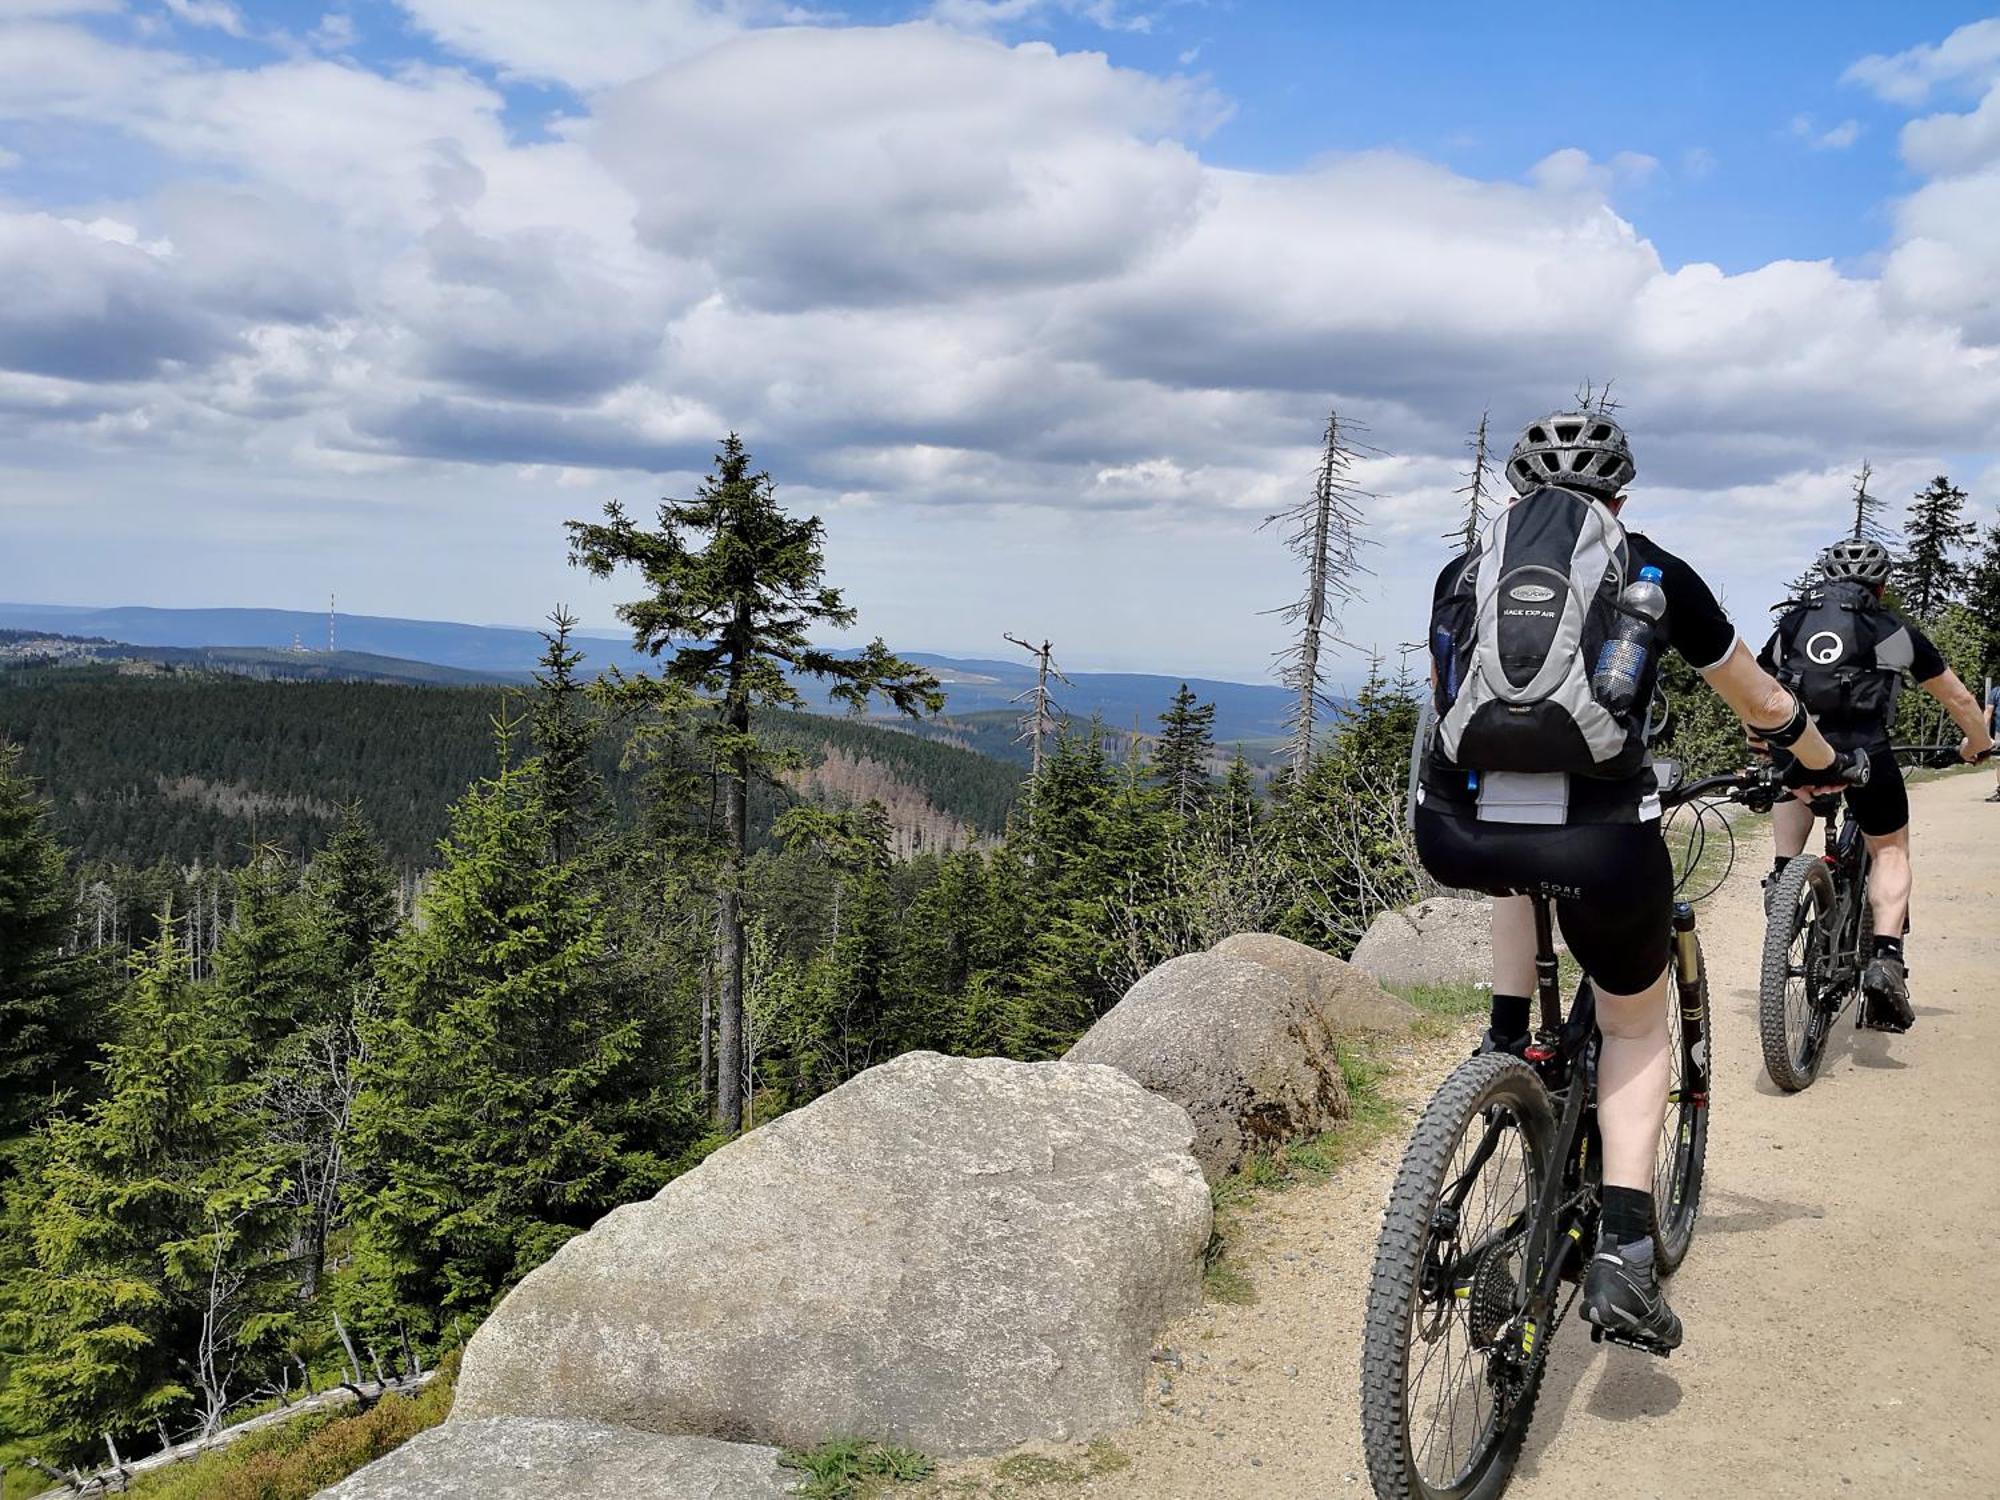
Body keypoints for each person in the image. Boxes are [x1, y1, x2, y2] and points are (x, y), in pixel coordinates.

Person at [1417, 411, 1864, 1354]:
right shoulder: (1653, 569)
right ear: (1620, 498)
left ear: (1517, 492)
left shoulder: (1463, 574)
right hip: (1603, 842)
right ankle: (1623, 1247)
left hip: (1454, 830)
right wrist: (1816, 765)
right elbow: (1765, 700)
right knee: (1632, 1020)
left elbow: (1457, 707)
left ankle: (1510, 1046)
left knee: (1513, 859)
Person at [1758, 539, 1997, 1028]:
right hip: (1865, 752)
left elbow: (1759, 691)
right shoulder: (1894, 630)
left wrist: (1763, 749)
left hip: (1800, 750)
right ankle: (1887, 955)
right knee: (1890, 851)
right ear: (1881, 586)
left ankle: (1784, 870)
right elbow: (1959, 699)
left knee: (1795, 770)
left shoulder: (1793, 623)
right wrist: (1979, 743)